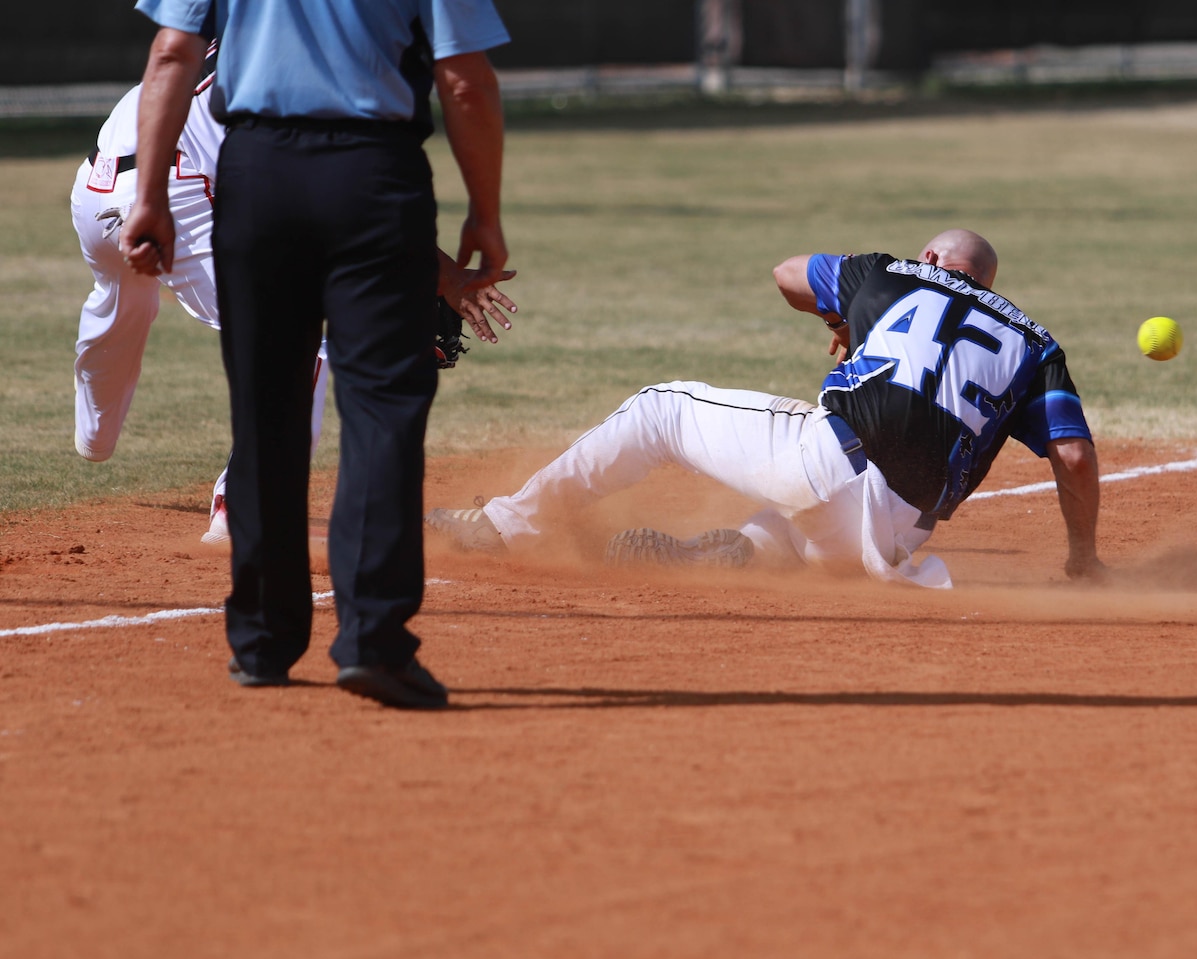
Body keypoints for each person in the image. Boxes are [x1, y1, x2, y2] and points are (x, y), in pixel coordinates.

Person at [121, 0, 510, 709]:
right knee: (382, 408)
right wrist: (485, 211)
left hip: (258, 173)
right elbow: (464, 80)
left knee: (268, 402)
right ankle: (374, 644)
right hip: (373, 175)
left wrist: (149, 193)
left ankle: (262, 642)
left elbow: (173, 54)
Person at [426, 229, 1104, 588]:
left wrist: (847, 316)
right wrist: (1083, 559)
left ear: (933, 258)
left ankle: (506, 525)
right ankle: (738, 554)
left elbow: (787, 272)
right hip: (897, 537)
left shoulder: (894, 272)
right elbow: (1072, 455)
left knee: (661, 408)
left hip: (829, 458)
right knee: (797, 526)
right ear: (986, 282)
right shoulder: (1036, 341)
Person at [71, 51, 518, 545]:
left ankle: (95, 437)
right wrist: (446, 278)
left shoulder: (275, 34)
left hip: (96, 183)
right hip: (170, 192)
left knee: (121, 303)